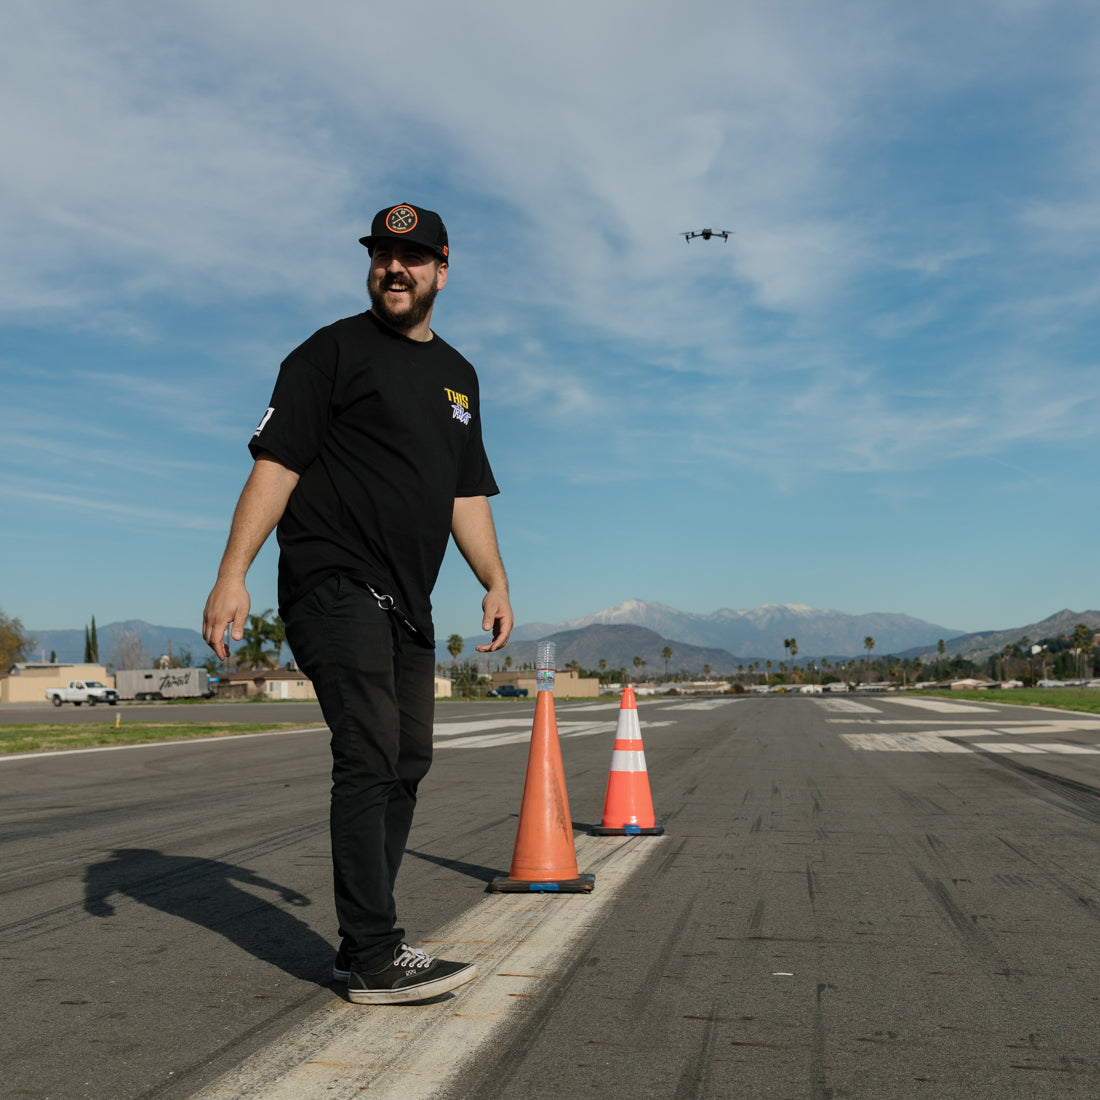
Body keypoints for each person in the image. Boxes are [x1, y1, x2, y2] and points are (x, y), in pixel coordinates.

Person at [202, 203, 512, 1005]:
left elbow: (465, 492)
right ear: (370, 266)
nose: (394, 269)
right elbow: (276, 465)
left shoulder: (459, 378)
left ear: (443, 269)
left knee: (408, 760)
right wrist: (233, 572)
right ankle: (375, 953)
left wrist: (495, 580)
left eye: (411, 257)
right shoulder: (328, 353)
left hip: (410, 602)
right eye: (382, 255)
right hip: (331, 583)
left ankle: (358, 944)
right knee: (370, 752)